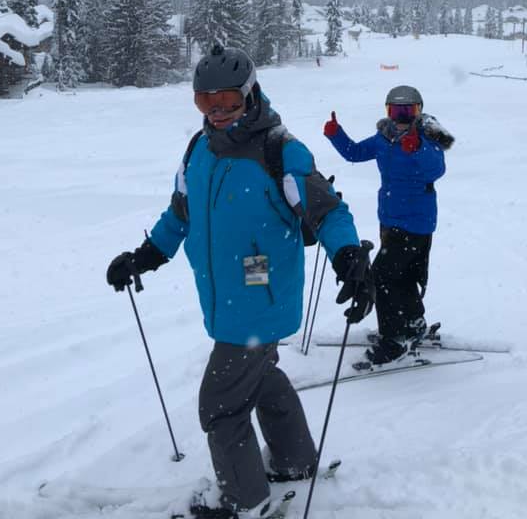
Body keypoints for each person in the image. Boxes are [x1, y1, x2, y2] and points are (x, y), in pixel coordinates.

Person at [107, 43, 374, 519]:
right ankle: (294, 461)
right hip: (227, 302)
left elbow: (328, 211)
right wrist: (144, 257)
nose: (218, 111)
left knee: (220, 405)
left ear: (250, 95)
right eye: (206, 102)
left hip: (261, 302)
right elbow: (180, 214)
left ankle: (244, 503)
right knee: (261, 379)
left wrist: (350, 257)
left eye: (228, 100)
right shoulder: (199, 150)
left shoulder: (280, 150)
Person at [323, 85, 454, 367]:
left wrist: (416, 148)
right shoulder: (384, 139)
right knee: (402, 276)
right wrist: (336, 134)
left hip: (417, 223)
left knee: (382, 276)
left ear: (419, 112)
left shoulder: (426, 139)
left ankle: (393, 340)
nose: (402, 118)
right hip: (390, 219)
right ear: (388, 112)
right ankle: (413, 323)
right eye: (396, 111)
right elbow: (355, 153)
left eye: (409, 111)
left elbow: (436, 169)